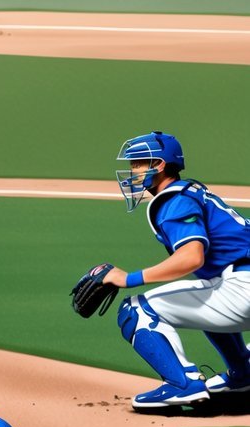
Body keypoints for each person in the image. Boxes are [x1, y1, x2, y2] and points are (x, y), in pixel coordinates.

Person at [100, 131, 250, 408]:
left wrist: (129, 279)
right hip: (240, 282)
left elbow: (192, 257)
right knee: (206, 294)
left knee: (135, 309)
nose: (132, 171)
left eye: (138, 164)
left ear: (159, 165)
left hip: (244, 288)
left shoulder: (173, 201)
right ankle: (243, 373)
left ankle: (182, 385)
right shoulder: (194, 192)